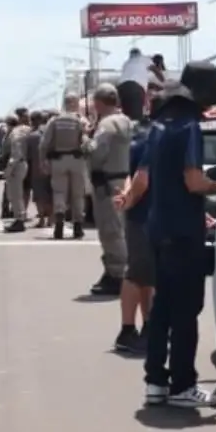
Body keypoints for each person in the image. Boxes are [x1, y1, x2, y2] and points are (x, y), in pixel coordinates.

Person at [121, 62, 216, 408]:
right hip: (182, 230)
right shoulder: (189, 127)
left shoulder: (160, 125)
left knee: (162, 309)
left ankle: (156, 382)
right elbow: (193, 180)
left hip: (158, 226)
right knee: (186, 310)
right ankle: (183, 385)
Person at [113, 100, 155, 353]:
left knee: (147, 276)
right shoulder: (153, 138)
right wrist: (131, 199)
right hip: (144, 215)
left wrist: (128, 197)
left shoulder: (141, 136)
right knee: (137, 273)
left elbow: (133, 176)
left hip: (144, 214)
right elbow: (141, 179)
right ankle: (127, 330)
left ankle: (148, 324)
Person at [86, 83, 132, 295]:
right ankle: (116, 271)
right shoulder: (126, 121)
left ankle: (117, 275)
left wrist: (84, 141)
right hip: (123, 179)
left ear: (99, 103)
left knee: (110, 230)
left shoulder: (107, 124)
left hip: (108, 182)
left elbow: (96, 152)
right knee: (119, 229)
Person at [41, 94, 87, 239]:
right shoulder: (80, 121)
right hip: (77, 160)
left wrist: (43, 160)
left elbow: (44, 143)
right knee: (78, 194)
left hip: (58, 160)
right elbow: (85, 141)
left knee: (59, 193)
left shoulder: (54, 121)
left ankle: (59, 225)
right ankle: (78, 227)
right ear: (75, 104)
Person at [3, 113, 31, 233]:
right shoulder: (24, 130)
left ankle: (19, 219)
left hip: (17, 165)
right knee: (17, 194)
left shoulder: (14, 134)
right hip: (23, 163)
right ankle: (20, 217)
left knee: (15, 194)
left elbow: (16, 153)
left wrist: (8, 170)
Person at [25, 111, 49, 227]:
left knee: (39, 195)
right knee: (50, 194)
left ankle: (42, 219)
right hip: (51, 167)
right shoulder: (50, 132)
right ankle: (51, 219)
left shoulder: (32, 135)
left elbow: (27, 155)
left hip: (37, 168)